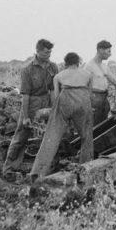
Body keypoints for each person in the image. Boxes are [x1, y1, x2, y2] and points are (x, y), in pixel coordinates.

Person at [30, 52, 94, 180]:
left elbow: (56, 97)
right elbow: (90, 93)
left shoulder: (59, 76)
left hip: (65, 99)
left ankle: (38, 172)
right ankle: (86, 168)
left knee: (52, 135)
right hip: (83, 99)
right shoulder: (88, 74)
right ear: (78, 62)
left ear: (66, 63)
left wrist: (59, 115)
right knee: (86, 135)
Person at [2, 39, 58, 179]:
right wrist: (26, 116)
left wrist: (53, 109)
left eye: (50, 52)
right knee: (21, 136)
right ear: (38, 51)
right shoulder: (28, 69)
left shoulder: (53, 67)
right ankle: (9, 169)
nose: (49, 55)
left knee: (49, 135)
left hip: (46, 102)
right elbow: (25, 96)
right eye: (46, 52)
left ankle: (47, 168)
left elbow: (53, 91)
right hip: (32, 102)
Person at [83, 39, 116, 126]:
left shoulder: (104, 66)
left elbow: (115, 82)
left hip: (104, 99)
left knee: (102, 124)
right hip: (94, 98)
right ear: (100, 50)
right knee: (94, 124)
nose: (110, 54)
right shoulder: (89, 66)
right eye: (108, 51)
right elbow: (83, 85)